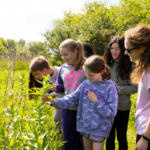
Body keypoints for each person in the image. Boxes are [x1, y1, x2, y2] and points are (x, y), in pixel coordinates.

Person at [42, 55, 119, 150]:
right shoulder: (85, 84)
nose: (87, 77)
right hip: (84, 127)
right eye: (86, 74)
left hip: (100, 129)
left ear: (102, 72)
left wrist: (96, 101)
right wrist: (52, 101)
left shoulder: (110, 87)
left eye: (90, 75)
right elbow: (70, 99)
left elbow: (111, 111)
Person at [51, 39, 86, 150]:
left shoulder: (87, 66)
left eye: (66, 54)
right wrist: (53, 90)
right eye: (62, 55)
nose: (64, 58)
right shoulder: (63, 68)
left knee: (84, 142)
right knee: (69, 141)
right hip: (67, 109)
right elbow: (60, 86)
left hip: (84, 110)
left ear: (75, 52)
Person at [103, 36, 138, 150]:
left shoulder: (131, 66)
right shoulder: (107, 64)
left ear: (123, 50)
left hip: (122, 107)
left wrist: (116, 88)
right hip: (107, 107)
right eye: (112, 48)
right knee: (109, 136)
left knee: (121, 137)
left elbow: (135, 88)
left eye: (117, 49)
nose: (113, 51)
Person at [124, 24, 150, 150]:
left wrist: (145, 139)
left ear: (143, 49)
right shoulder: (145, 69)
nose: (125, 52)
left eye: (128, 49)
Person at [29, 56, 62, 130]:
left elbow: (65, 89)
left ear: (44, 70)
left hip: (69, 100)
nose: (36, 77)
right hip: (60, 99)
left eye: (36, 74)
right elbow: (56, 89)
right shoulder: (48, 76)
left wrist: (52, 95)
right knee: (56, 120)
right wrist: (47, 92)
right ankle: (60, 137)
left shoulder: (61, 72)